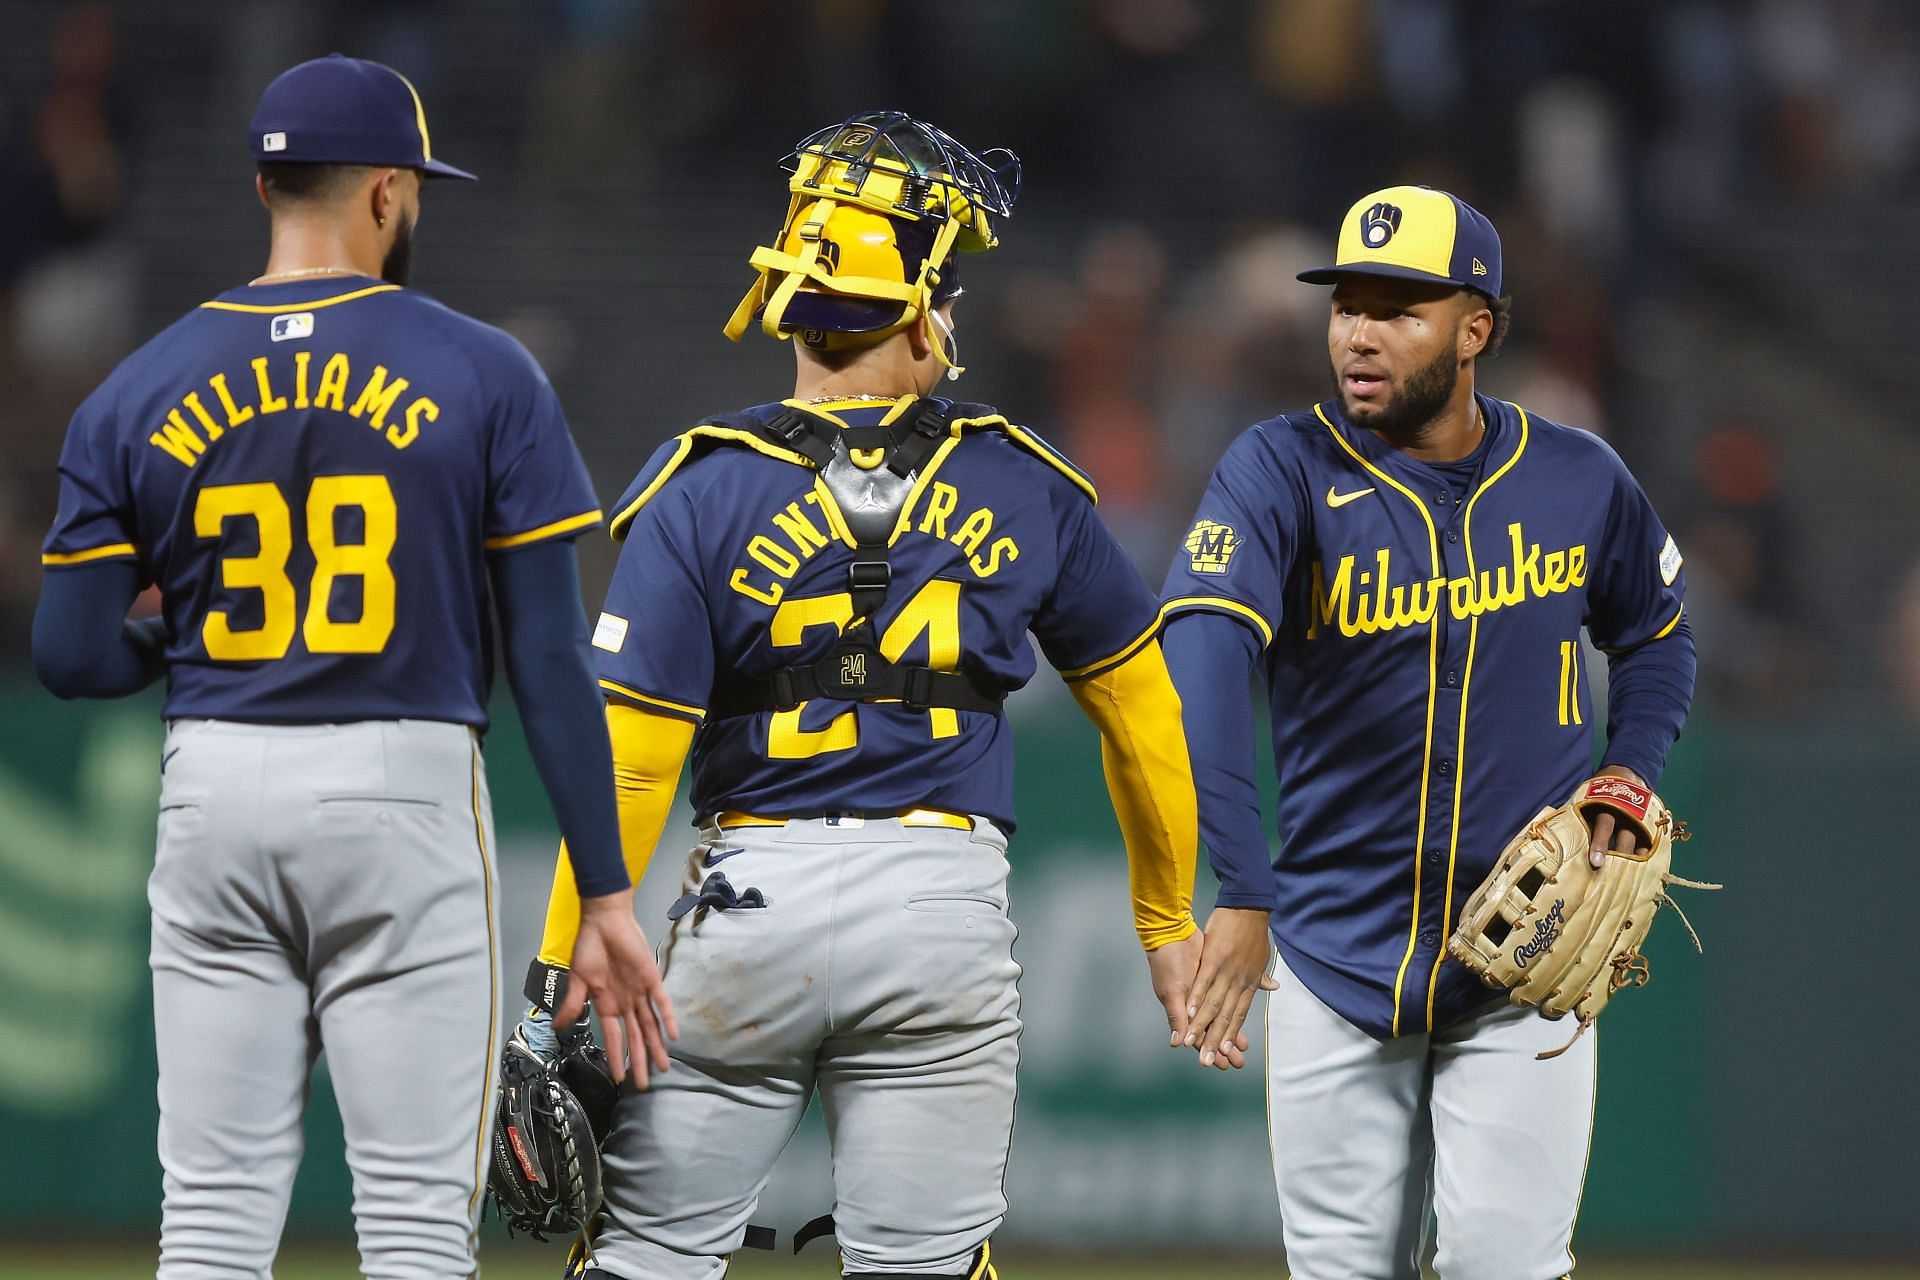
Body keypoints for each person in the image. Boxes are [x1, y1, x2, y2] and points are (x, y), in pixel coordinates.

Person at [512, 110, 1205, 1280]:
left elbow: (632, 757)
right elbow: (1144, 713)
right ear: (920, 296)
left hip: (750, 908)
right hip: (942, 910)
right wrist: (1167, 918)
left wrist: (556, 971)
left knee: (646, 1258)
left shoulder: (702, 485)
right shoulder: (1019, 477)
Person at [31, 54, 675, 1278]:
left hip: (214, 783)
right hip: (402, 786)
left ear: (269, 188)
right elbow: (546, 654)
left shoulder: (133, 388)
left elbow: (66, 654)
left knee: (211, 1221)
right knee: (416, 1226)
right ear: (386, 191)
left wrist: (185, 635)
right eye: (415, 187)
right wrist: (602, 890)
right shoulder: (486, 372)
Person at [1162, 185, 1696, 1278]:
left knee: (1505, 1267)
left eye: (1400, 308)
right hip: (1331, 950)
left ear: (1475, 329)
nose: (1359, 333)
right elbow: (1205, 652)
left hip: (1521, 958)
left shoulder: (1579, 477)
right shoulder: (1279, 468)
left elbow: (1657, 637)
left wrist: (1628, 775)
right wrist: (1245, 885)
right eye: (1348, 304)